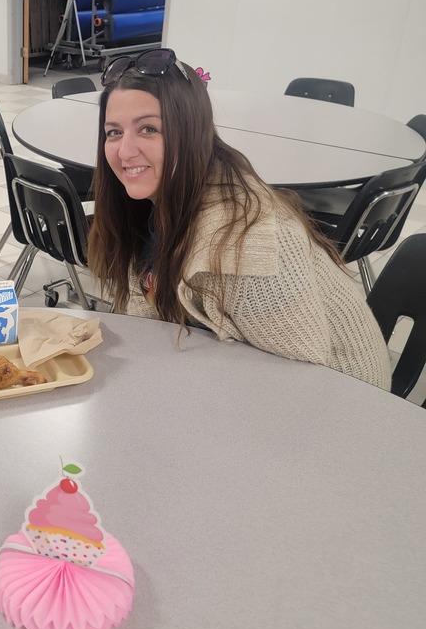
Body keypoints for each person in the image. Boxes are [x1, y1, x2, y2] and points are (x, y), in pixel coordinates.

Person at [87, 49, 392, 389]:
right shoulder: (147, 201)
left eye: (148, 129)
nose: (125, 151)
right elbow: (147, 314)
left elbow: (302, 377)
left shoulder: (249, 241)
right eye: (113, 132)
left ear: (190, 131)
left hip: (344, 400)